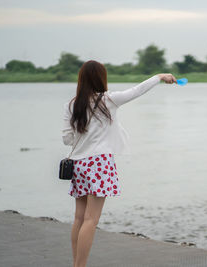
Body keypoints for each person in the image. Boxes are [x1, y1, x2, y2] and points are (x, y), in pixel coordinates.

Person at [61, 60, 176, 267]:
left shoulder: (72, 105)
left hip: (78, 165)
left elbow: (67, 139)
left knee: (79, 218)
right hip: (99, 163)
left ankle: (75, 264)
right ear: (101, 78)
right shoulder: (109, 100)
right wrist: (159, 76)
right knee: (90, 220)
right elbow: (137, 90)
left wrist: (84, 132)